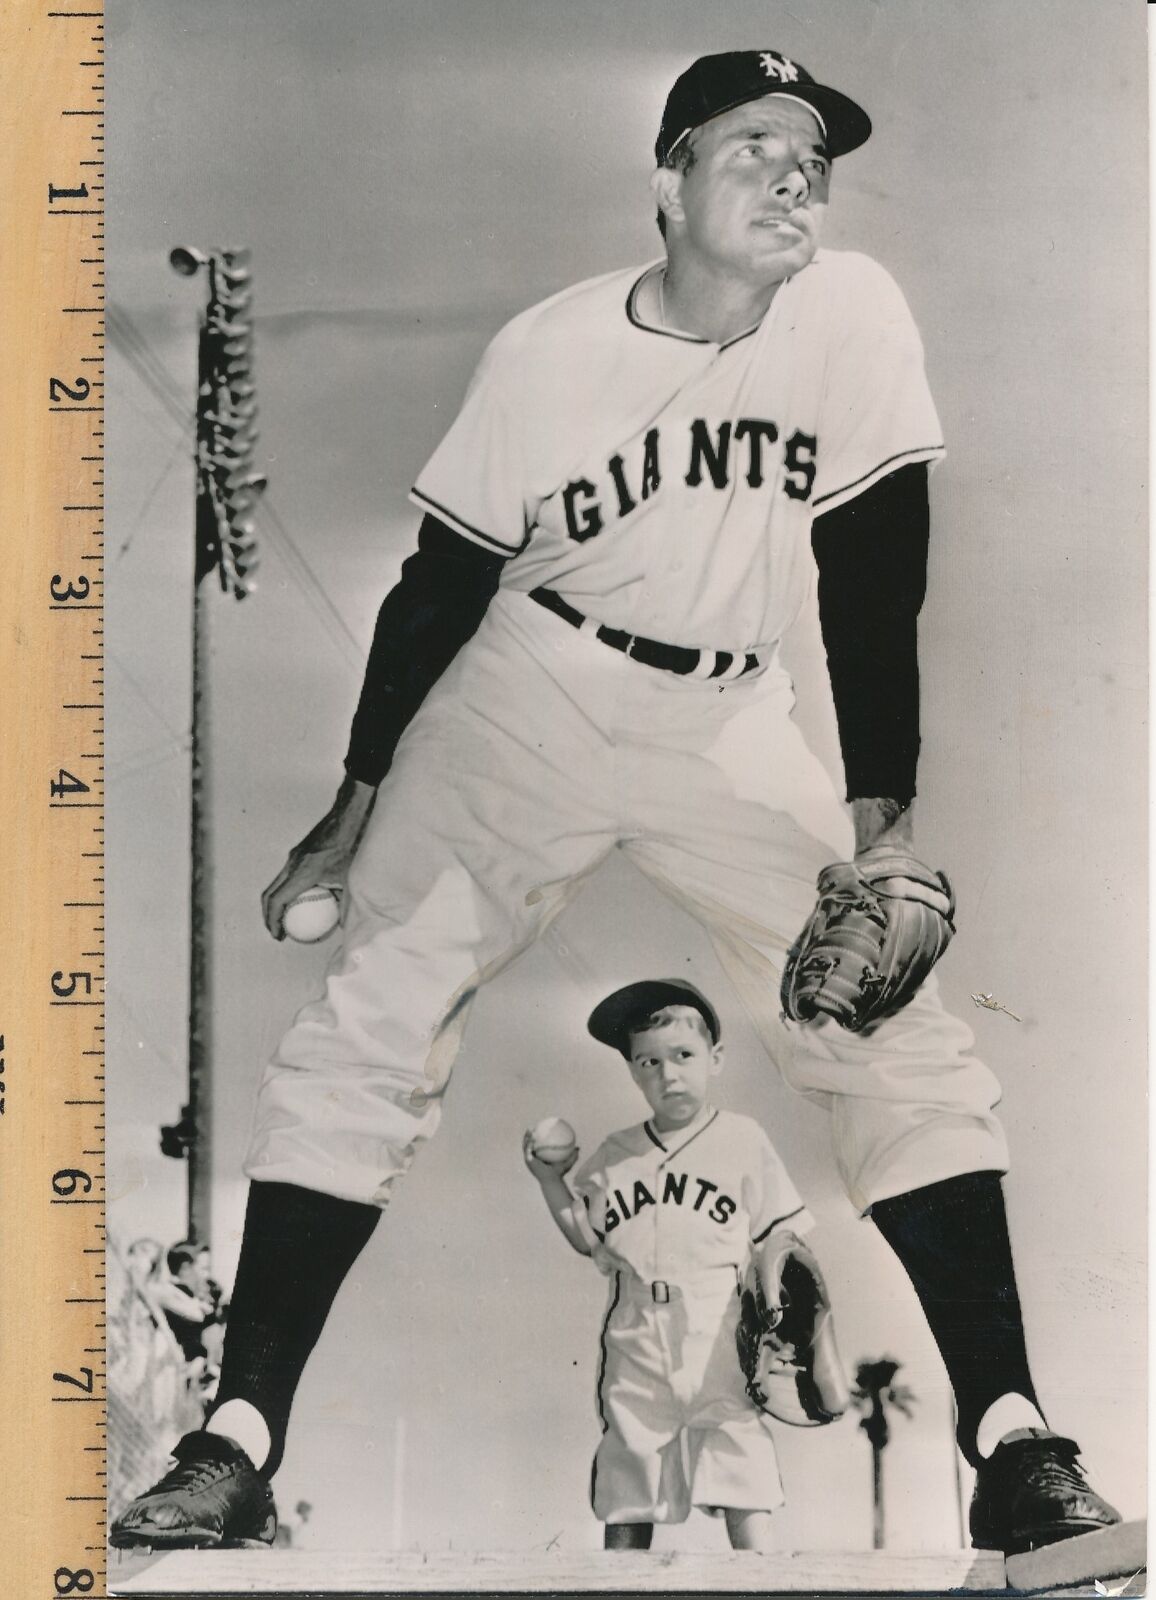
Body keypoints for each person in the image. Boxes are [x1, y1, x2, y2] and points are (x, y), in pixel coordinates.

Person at [111, 49, 1120, 1555]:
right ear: (667, 180)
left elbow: (874, 569)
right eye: (753, 144)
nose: (796, 173)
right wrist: (352, 799)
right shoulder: (549, 352)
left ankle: (1015, 1443)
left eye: (815, 155)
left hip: (730, 717)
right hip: (530, 689)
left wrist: (880, 821)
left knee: (891, 1029)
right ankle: (234, 1437)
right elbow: (439, 583)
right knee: (369, 1019)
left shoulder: (850, 311)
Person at [524, 978, 833, 1553]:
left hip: (719, 1320)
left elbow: (781, 1238)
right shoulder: (614, 1155)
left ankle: (763, 1581)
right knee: (629, 1450)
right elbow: (585, 1236)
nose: (668, 1074)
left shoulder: (743, 1138)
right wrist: (550, 1180)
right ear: (634, 1073)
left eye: (683, 1056)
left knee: (737, 1444)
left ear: (715, 1058)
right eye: (649, 1062)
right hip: (637, 1327)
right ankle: (620, 1584)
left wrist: (792, 1322)